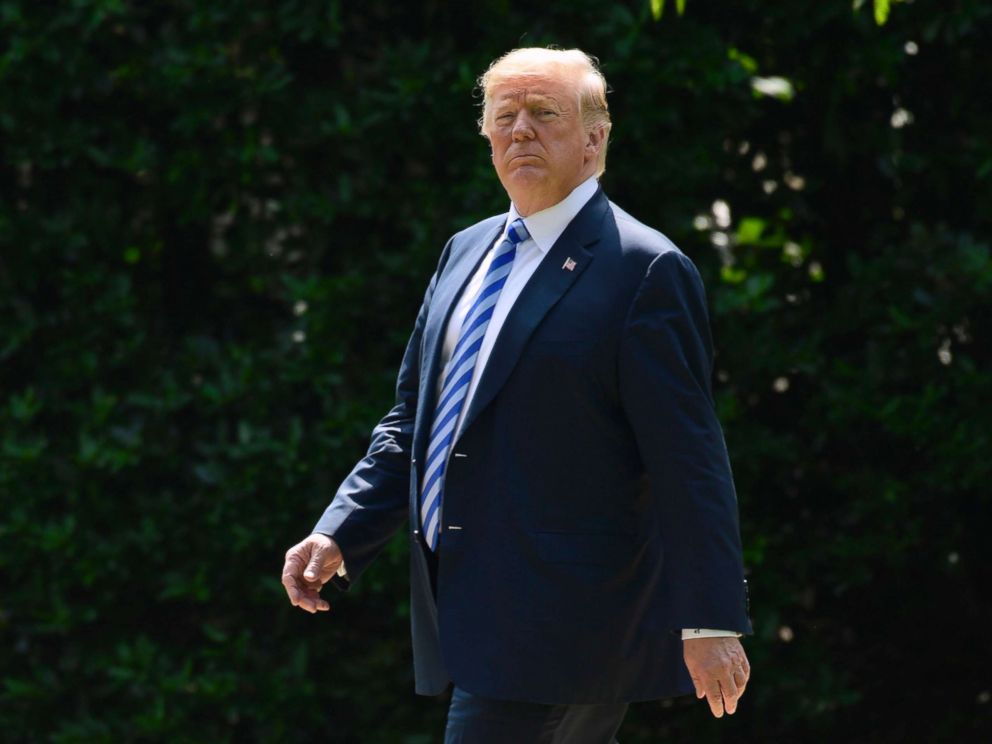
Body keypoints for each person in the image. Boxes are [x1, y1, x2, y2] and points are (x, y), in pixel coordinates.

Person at [282, 47, 752, 743]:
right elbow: (416, 422)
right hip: (472, 612)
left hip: (569, 625)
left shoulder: (644, 269)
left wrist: (711, 618)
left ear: (596, 138)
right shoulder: (463, 252)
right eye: (505, 115)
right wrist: (340, 529)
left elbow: (690, 459)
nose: (520, 130)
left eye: (544, 114)